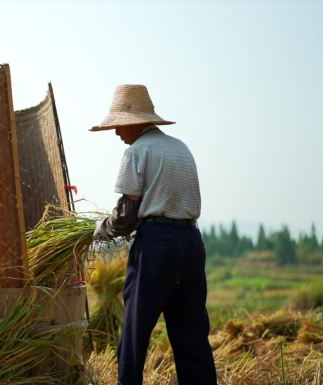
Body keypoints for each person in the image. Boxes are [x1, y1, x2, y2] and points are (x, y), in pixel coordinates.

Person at [90, 85, 217, 385]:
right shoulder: (180, 148)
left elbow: (128, 212)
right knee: (192, 334)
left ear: (134, 122)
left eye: (119, 125)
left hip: (157, 246)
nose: (117, 133)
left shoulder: (136, 151)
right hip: (191, 244)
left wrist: (103, 230)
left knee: (134, 334)